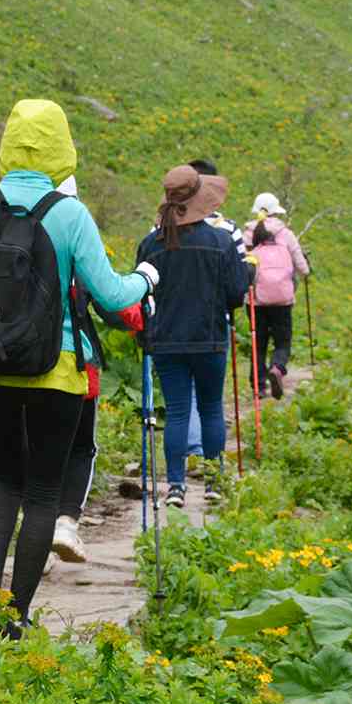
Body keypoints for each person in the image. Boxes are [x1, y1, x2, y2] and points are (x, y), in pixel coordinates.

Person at [0, 101, 154, 632]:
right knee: (44, 491)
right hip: (59, 374)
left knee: (6, 481)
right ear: (62, 147)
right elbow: (112, 295)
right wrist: (147, 279)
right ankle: (15, 613)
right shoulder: (69, 214)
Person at [136, 165, 251, 507]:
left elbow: (141, 294)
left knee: (177, 411)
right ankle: (214, 482)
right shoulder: (220, 242)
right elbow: (235, 295)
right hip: (210, 338)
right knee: (212, 408)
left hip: (167, 341)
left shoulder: (149, 245)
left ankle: (175, 486)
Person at [50, 176, 145, 565]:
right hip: (72, 365)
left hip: (11, 364)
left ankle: (33, 528)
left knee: (32, 450)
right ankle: (65, 522)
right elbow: (112, 304)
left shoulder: (7, 225)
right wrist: (143, 309)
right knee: (80, 448)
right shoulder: (74, 236)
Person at [183, 159, 246, 465]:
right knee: (211, 402)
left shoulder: (162, 226)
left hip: (172, 324)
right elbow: (239, 281)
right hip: (214, 324)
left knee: (184, 400)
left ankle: (190, 455)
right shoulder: (229, 229)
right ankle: (212, 467)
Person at [242, 193, 310, 398]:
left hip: (256, 298)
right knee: (282, 341)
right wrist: (305, 272)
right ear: (275, 211)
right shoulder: (286, 233)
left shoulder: (247, 234)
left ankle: (259, 386)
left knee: (258, 341)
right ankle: (277, 368)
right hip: (282, 298)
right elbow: (301, 265)